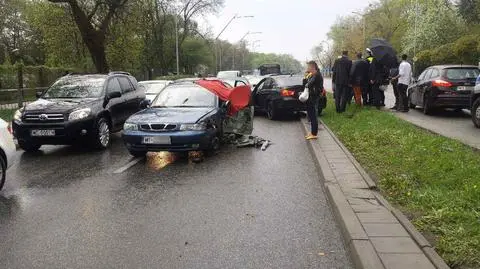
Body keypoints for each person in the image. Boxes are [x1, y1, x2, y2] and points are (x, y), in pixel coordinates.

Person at [303, 61, 323, 140]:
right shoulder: (312, 75)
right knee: (311, 115)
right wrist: (306, 77)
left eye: (308, 67)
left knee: (313, 116)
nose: (307, 68)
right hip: (311, 97)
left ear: (312, 67)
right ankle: (312, 132)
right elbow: (305, 83)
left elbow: (308, 85)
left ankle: (314, 134)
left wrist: (307, 80)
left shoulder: (316, 75)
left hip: (313, 97)